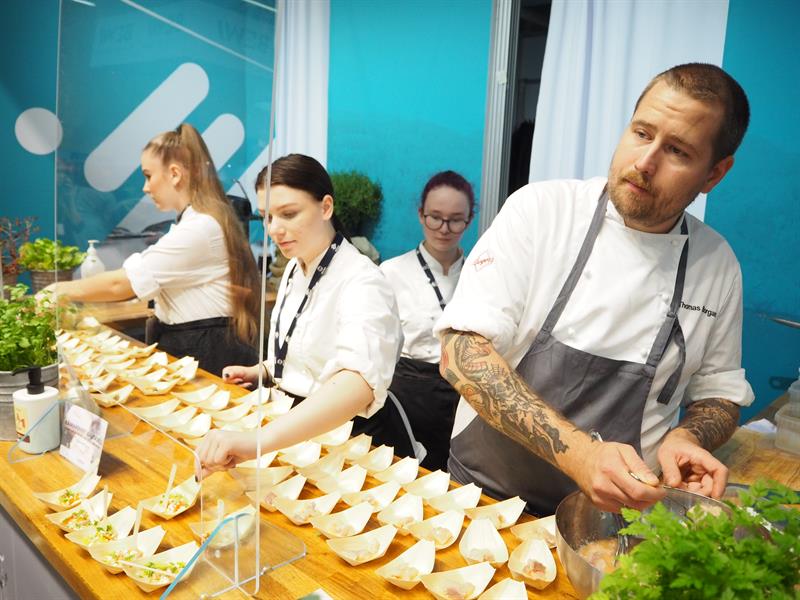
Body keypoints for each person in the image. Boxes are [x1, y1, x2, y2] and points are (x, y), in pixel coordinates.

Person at [435, 63, 754, 516]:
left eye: (678, 151)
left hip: (612, 521)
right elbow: (461, 353)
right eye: (642, 133)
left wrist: (688, 435)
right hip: (481, 498)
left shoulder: (716, 265)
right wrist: (580, 454)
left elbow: (719, 393)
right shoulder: (542, 211)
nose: (645, 163)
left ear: (714, 174)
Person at [196, 154, 402, 476]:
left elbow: (357, 383)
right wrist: (262, 370)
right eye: (267, 217)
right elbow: (308, 350)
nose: (275, 230)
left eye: (289, 214)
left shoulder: (363, 280)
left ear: (326, 207)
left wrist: (257, 441)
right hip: (294, 428)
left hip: (347, 439)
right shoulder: (295, 265)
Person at [45, 123, 260, 376]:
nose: (145, 188)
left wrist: (58, 290)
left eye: (148, 175)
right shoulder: (196, 220)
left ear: (175, 174)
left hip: (208, 355)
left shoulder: (199, 228)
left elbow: (120, 285)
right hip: (201, 347)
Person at [372, 171, 474, 471]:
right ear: (421, 215)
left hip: (466, 396)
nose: (444, 228)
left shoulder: (481, 275)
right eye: (435, 217)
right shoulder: (390, 273)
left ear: (468, 221)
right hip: (410, 395)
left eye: (456, 219)